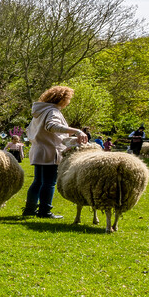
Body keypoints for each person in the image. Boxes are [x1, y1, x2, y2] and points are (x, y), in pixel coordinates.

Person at [21, 86, 86, 218]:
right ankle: (45, 211)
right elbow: (51, 126)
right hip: (50, 151)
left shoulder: (40, 112)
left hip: (39, 150)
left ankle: (30, 209)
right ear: (62, 99)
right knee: (49, 182)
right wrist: (77, 131)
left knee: (38, 181)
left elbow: (36, 131)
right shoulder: (52, 111)